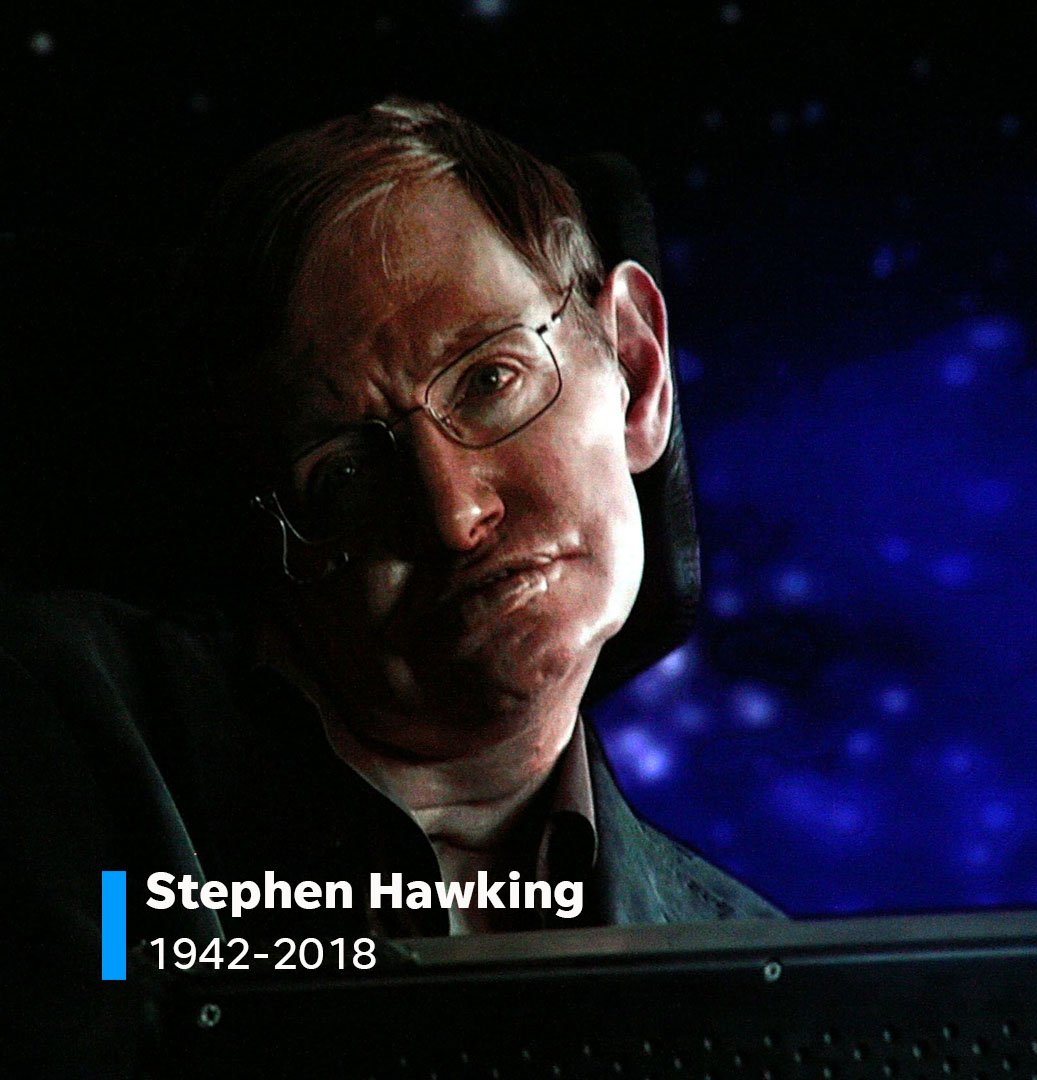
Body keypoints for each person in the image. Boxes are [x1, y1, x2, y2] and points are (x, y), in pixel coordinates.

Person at [3, 92, 778, 1074]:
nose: (454, 516)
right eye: (343, 473)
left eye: (490, 378)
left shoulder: (757, 971)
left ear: (634, 365)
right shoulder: (54, 740)